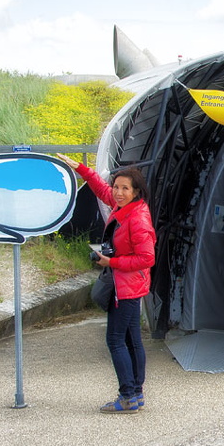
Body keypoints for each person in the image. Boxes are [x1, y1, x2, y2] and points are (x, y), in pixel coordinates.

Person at [57, 154, 156, 414]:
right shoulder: (125, 207)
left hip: (126, 287)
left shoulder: (138, 220)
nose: (118, 192)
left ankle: (127, 396)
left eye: (125, 188)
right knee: (132, 340)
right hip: (128, 285)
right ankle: (136, 394)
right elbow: (101, 190)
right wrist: (80, 168)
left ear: (136, 191)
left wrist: (111, 262)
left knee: (116, 340)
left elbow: (147, 258)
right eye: (117, 187)